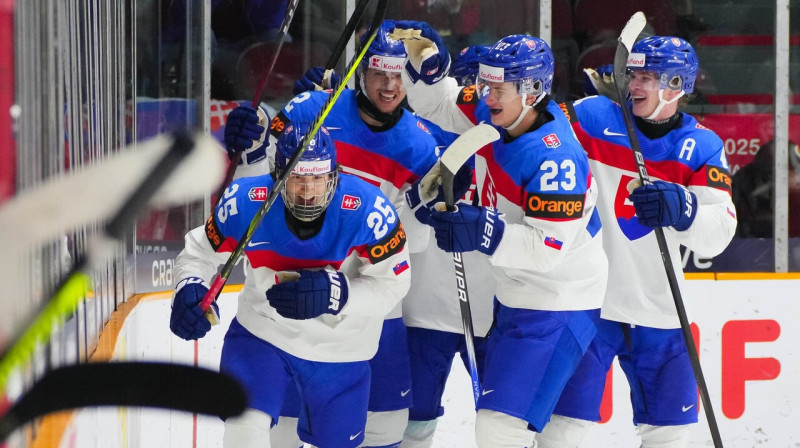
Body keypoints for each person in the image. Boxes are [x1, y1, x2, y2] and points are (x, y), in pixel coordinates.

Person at [226, 20, 450, 448]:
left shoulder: (420, 146)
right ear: (359, 73)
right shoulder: (310, 111)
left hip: (370, 303)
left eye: (399, 75)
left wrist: (424, 212)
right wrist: (248, 147)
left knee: (386, 424)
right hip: (293, 289)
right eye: (379, 73)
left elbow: (414, 245)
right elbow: (258, 189)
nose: (390, 86)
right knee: (283, 426)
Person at [392, 21, 609, 447]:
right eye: (486, 86)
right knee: (549, 431)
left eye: (498, 89)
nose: (486, 96)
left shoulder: (556, 159)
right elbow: (440, 103)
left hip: (557, 302)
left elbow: (546, 249)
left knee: (500, 428)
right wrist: (426, 65)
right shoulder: (502, 111)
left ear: (532, 91)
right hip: (517, 296)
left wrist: (482, 229)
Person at [535, 36, 738, 447]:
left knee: (671, 434)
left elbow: (718, 233)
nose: (636, 85)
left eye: (649, 77)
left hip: (659, 307)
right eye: (634, 75)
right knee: (562, 428)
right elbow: (532, 135)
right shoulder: (592, 116)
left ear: (678, 85)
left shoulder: (701, 146)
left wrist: (684, 210)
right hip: (589, 301)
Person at [168, 122, 411, 448]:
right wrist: (189, 286)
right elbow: (199, 254)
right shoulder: (245, 201)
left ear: (334, 176)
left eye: (318, 179)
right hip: (263, 336)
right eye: (297, 178)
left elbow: (395, 284)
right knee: (244, 433)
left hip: (342, 352)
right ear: (278, 175)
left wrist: (337, 294)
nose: (308, 192)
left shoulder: (370, 210)